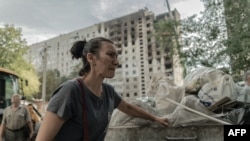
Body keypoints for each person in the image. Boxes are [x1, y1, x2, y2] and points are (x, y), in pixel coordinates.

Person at [35, 37, 169, 141]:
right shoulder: (70, 92)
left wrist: (155, 118)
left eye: (116, 56)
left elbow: (128, 108)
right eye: (110, 55)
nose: (116, 62)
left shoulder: (108, 92)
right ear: (91, 58)